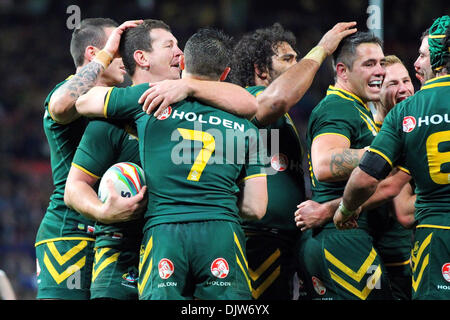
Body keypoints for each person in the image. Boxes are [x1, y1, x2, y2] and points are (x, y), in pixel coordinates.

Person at [64, 19, 260, 300]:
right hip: (123, 253)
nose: (180, 52)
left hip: (172, 245)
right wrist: (103, 212)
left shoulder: (206, 107)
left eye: (180, 46)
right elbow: (74, 188)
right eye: (170, 45)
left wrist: (190, 88)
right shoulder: (109, 122)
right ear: (142, 58)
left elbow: (250, 104)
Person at [229, 22, 357, 300]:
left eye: (298, 58)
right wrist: (322, 49)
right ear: (261, 70)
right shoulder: (247, 101)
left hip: (281, 240)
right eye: (288, 59)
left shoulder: (284, 117)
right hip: (256, 240)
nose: (298, 65)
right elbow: (278, 99)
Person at [334, 15, 450, 300]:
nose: (417, 62)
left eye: (422, 55)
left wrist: (343, 211)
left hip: (436, 237)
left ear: (438, 58)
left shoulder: (406, 114)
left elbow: (366, 177)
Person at [36, 18, 143, 300]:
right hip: (70, 231)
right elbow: (60, 107)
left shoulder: (117, 100)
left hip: (114, 235)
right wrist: (108, 54)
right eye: (118, 50)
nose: (124, 58)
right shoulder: (66, 94)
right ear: (94, 53)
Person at [297, 31, 398, 300]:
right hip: (340, 237)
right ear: (342, 70)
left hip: (343, 234)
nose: (380, 71)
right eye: (369, 64)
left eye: (381, 63)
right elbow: (325, 164)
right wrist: (387, 153)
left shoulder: (357, 108)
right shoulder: (337, 107)